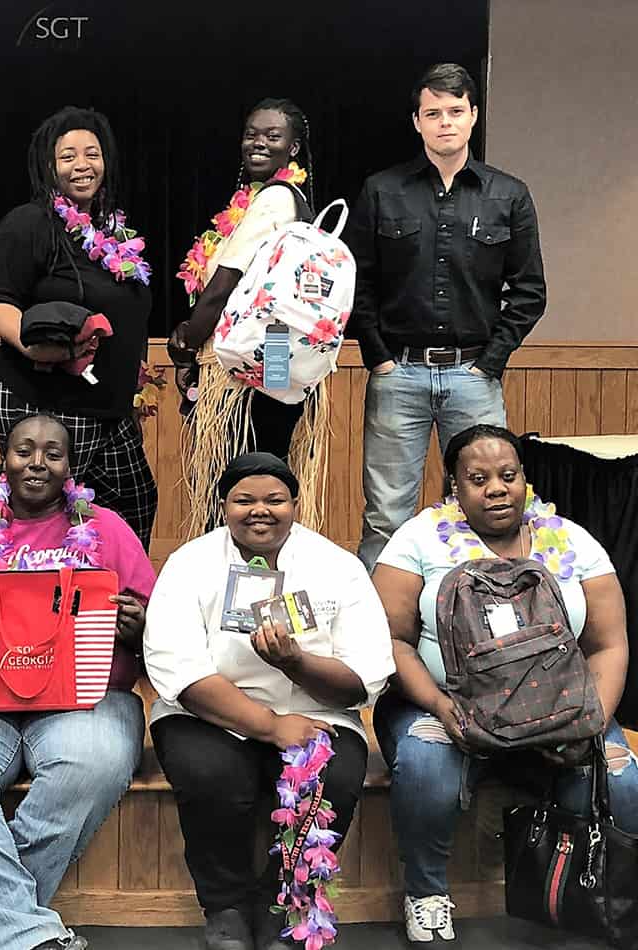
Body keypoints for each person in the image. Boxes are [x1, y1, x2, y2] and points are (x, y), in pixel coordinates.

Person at [371, 424, 636, 945]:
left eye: (508, 475)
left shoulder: (573, 541)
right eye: (479, 478)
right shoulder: (420, 539)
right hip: (445, 704)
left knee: (624, 780)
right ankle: (425, 894)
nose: (496, 488)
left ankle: (599, 889)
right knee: (425, 766)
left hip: (562, 707)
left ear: (525, 482)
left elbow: (609, 644)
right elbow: (392, 639)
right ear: (454, 487)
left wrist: (594, 721)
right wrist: (440, 706)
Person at [0, 414, 156, 950]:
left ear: (71, 467)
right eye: (24, 450)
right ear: (5, 457)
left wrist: (137, 624)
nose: (37, 462)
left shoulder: (107, 529)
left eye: (52, 453)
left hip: (87, 694)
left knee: (92, 764)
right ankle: (28, 936)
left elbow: (155, 626)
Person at [145, 452, 395, 950]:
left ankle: (288, 905)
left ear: (295, 505)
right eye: (245, 500)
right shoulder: (189, 564)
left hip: (315, 709)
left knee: (332, 776)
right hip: (208, 712)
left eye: (275, 499)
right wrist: (268, 725)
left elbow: (364, 676)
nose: (260, 510)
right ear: (224, 505)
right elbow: (179, 668)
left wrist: (295, 663)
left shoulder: (337, 567)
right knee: (213, 775)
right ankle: (227, 908)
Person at [346, 63, 547, 571]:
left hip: (474, 373)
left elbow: (529, 291)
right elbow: (357, 282)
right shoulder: (381, 190)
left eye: (456, 111)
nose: (445, 122)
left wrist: (491, 362)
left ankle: (485, 626)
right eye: (433, 113)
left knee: (488, 509)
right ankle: (381, 639)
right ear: (417, 121)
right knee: (386, 515)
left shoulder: (509, 194)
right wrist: (378, 357)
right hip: (399, 374)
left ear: (473, 116)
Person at [0, 106, 157, 549]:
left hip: (107, 405)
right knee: (43, 515)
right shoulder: (30, 223)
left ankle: (117, 608)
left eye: (92, 154)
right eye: (68, 156)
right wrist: (34, 348)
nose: (82, 165)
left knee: (135, 502)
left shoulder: (113, 231)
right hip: (39, 396)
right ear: (49, 167)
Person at [169, 98, 328, 537]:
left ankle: (247, 570)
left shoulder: (276, 199)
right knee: (262, 457)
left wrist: (187, 343)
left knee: (245, 470)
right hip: (274, 351)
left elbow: (224, 283)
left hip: (258, 357)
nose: (258, 143)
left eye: (272, 136)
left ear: (293, 149)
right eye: (251, 134)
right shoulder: (268, 199)